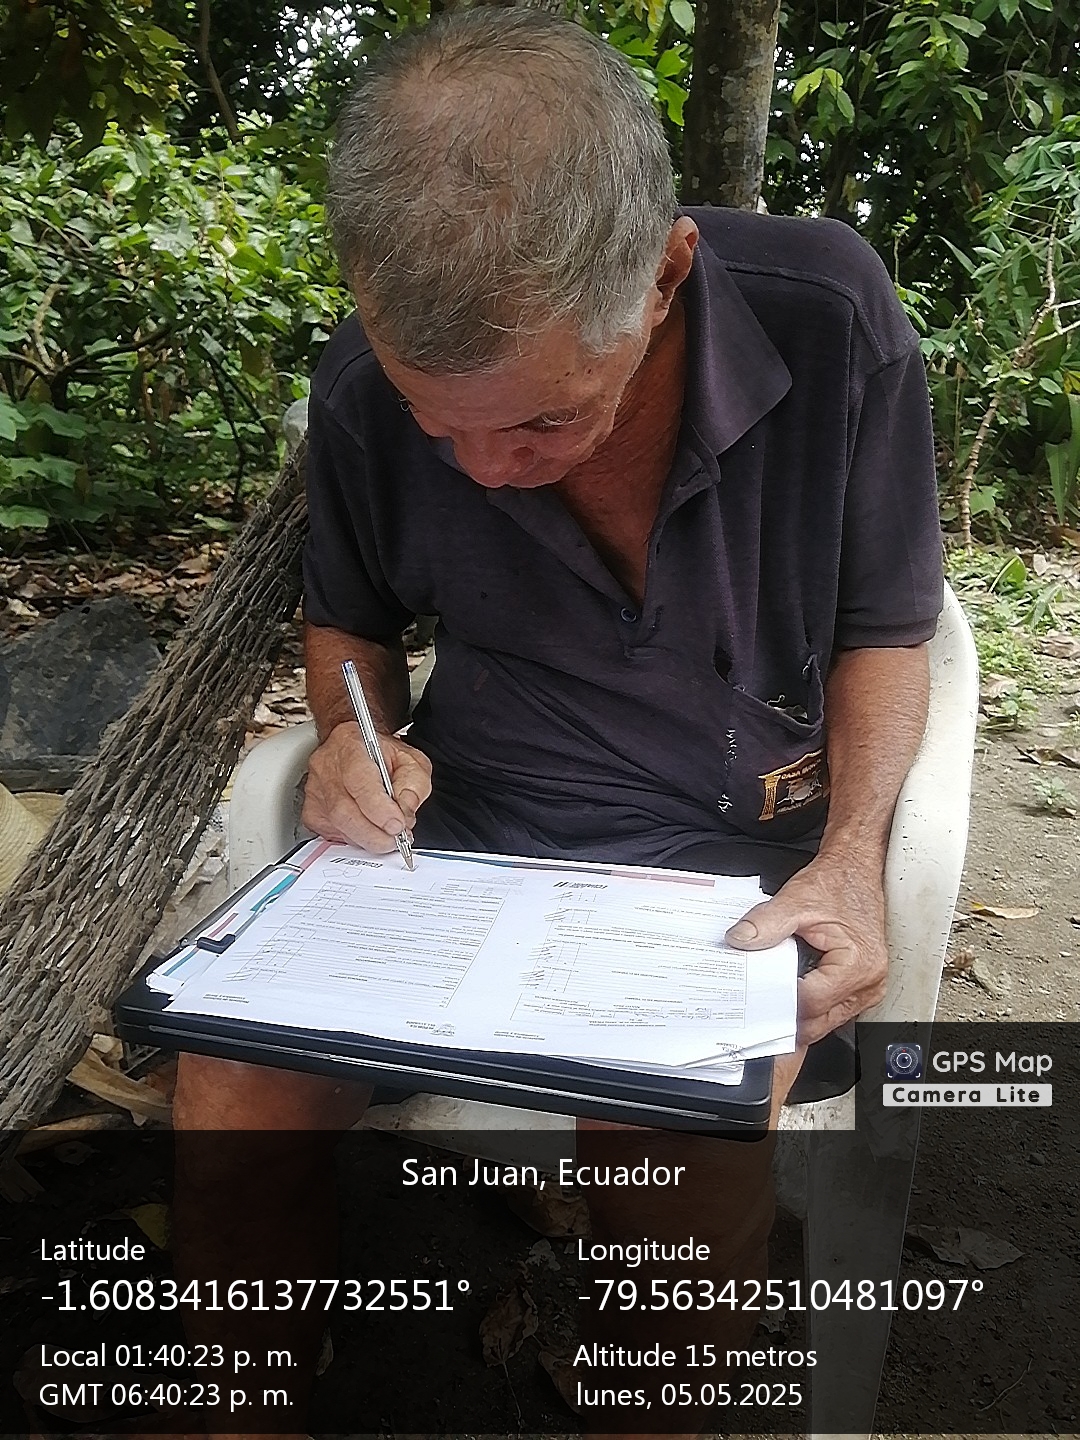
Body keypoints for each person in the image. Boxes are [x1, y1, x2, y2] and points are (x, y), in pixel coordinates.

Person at [170, 7, 943, 1437]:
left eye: (542, 423)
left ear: (666, 274)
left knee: (667, 1134)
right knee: (230, 1080)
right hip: (474, 830)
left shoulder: (827, 315)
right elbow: (350, 620)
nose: (485, 470)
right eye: (439, 425)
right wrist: (350, 736)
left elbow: (888, 624)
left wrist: (852, 857)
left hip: (730, 838)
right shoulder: (360, 388)